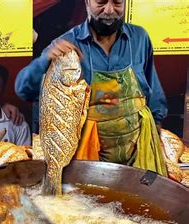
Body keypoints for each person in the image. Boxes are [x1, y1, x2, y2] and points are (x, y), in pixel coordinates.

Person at [15, 0, 167, 176]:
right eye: (101, 3)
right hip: (88, 151)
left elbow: (152, 86)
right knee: (91, 199)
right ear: (87, 2)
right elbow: (23, 89)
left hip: (137, 148)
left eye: (117, 3)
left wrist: (156, 127)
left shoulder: (139, 38)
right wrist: (45, 60)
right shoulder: (66, 43)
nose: (109, 10)